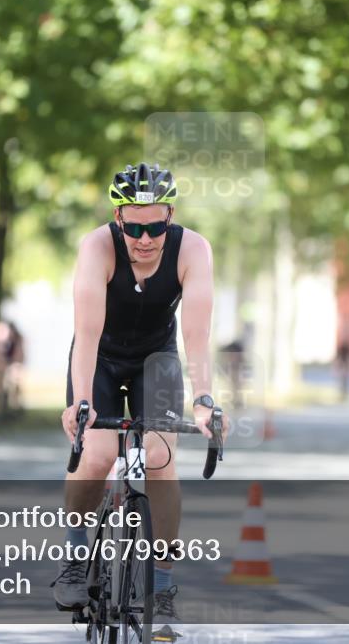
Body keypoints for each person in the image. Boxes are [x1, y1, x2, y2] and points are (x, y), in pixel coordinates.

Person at [54, 162, 229, 642]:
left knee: (160, 458)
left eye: (156, 227)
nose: (146, 239)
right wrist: (82, 403)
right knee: (97, 454)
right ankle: (75, 556)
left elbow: (197, 335)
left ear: (170, 216)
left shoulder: (193, 249)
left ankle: (164, 586)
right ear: (118, 219)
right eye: (134, 229)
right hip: (102, 358)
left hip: (157, 358)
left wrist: (204, 400)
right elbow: (86, 334)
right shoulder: (97, 247)